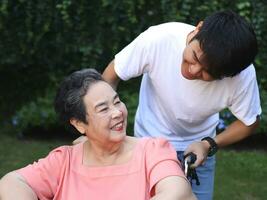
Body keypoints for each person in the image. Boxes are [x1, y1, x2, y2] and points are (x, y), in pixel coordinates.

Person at [102, 10, 261, 200]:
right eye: (195, 57)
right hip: (147, 146)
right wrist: (104, 131)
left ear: (228, 75)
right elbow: (111, 76)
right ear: (198, 29)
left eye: (207, 73)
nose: (193, 70)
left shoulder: (241, 76)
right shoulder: (159, 39)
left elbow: (249, 123)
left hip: (198, 157)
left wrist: (208, 144)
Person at [0, 69, 196, 200]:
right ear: (79, 124)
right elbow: (10, 183)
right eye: (103, 109)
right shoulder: (64, 161)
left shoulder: (152, 151)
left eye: (117, 101)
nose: (117, 112)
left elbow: (177, 191)